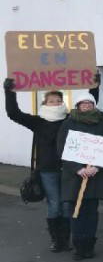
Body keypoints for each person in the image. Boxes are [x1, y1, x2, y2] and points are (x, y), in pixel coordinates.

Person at [4, 78, 70, 252]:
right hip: (48, 170)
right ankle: (57, 241)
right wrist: (9, 92)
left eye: (58, 100)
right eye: (51, 100)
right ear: (45, 102)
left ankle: (66, 240)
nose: (55, 103)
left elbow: (87, 109)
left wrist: (95, 88)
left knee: (66, 205)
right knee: (55, 205)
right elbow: (13, 113)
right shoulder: (38, 122)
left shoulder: (69, 120)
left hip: (69, 169)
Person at [56, 93, 103, 260]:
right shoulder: (69, 123)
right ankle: (79, 246)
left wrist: (97, 167)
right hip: (75, 176)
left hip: (94, 174)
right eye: (83, 103)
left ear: (94, 105)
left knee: (91, 211)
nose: (86, 105)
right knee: (76, 211)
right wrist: (77, 169)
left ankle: (89, 246)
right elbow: (61, 148)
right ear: (78, 105)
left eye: (89, 102)